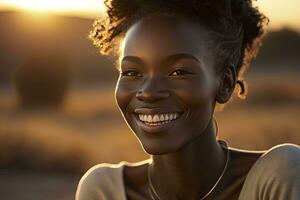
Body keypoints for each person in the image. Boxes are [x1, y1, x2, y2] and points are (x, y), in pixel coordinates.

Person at [76, 0, 300, 199]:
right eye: (132, 73)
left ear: (225, 84)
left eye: (179, 72)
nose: (149, 92)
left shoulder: (279, 175)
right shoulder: (103, 190)